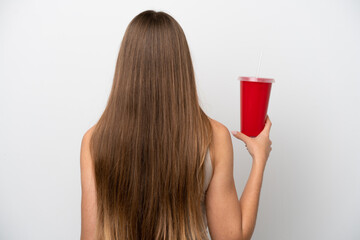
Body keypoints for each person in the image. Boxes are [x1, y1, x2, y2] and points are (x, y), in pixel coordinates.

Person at [80, 10, 272, 240]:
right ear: (181, 67)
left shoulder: (94, 141)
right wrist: (259, 160)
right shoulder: (214, 137)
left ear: (126, 67)